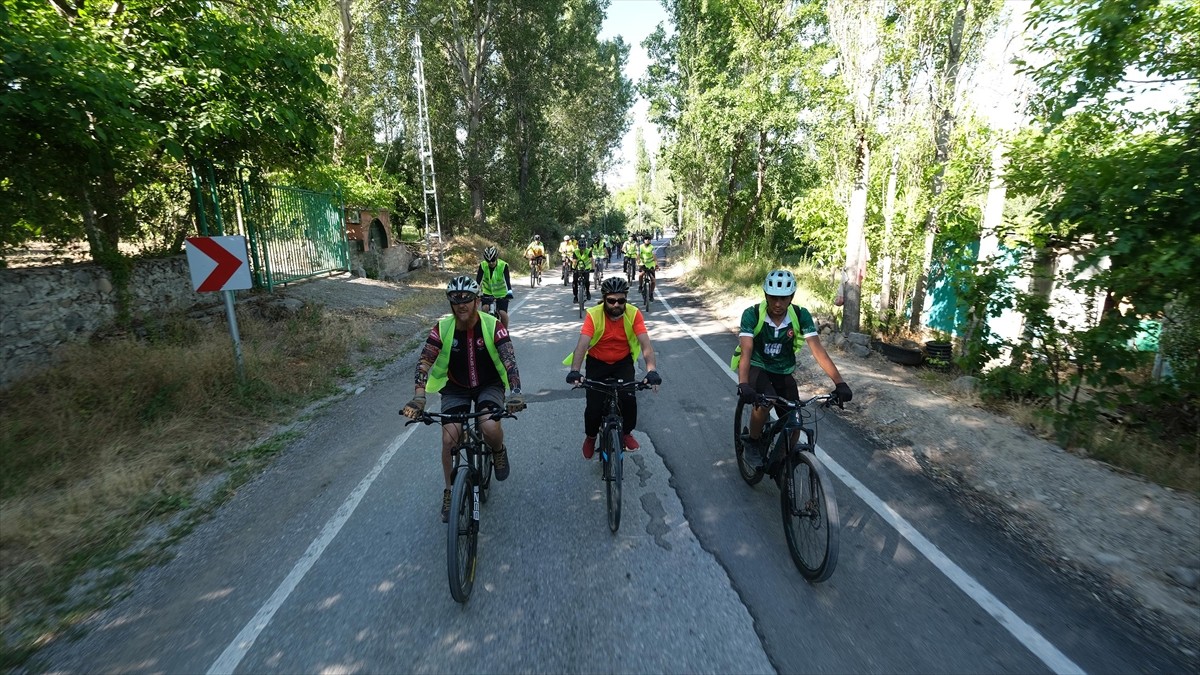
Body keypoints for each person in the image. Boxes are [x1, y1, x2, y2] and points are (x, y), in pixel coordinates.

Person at [401, 276, 527, 522]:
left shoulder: (493, 325)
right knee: (449, 439)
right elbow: (425, 361)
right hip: (455, 388)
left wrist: (515, 392)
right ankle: (450, 491)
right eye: (456, 301)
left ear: (477, 301)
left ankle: (498, 450)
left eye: (467, 300)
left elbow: (509, 360)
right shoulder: (442, 328)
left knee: (489, 426)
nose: (461, 306)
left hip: (489, 385)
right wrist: (419, 397)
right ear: (450, 303)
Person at [736, 269, 852, 468]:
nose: (778, 304)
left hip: (783, 370)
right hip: (758, 365)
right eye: (773, 298)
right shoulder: (752, 314)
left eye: (783, 298)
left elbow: (818, 351)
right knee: (768, 400)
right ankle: (753, 442)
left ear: (791, 297)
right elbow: (746, 351)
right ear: (766, 295)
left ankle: (782, 464)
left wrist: (840, 383)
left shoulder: (800, 315)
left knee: (795, 419)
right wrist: (743, 384)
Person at [564, 277, 662, 459]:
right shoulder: (594, 315)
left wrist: (652, 370)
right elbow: (582, 344)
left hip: (622, 362)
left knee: (629, 400)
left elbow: (646, 344)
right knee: (594, 407)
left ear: (626, 299)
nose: (616, 304)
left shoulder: (634, 314)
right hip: (597, 362)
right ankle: (591, 437)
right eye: (611, 300)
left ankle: (626, 434)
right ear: (604, 299)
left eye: (621, 300)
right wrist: (575, 371)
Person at [475, 246, 514, 328]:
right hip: (487, 292)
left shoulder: (503, 265)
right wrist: (475, 292)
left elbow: (507, 280)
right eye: (488, 261)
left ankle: (504, 332)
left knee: (503, 313)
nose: (491, 263)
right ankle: (484, 330)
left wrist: (509, 291)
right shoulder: (482, 265)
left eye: (493, 260)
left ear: (496, 258)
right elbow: (478, 281)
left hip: (501, 294)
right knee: (485, 309)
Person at [571, 237, 594, 303]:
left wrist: (593, 268)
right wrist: (573, 268)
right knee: (575, 282)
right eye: (581, 248)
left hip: (586, 267)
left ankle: (588, 291)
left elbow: (592, 260)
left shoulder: (588, 251)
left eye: (583, 248)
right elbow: (574, 261)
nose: (582, 250)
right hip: (577, 267)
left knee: (587, 281)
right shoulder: (575, 251)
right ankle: (575, 296)